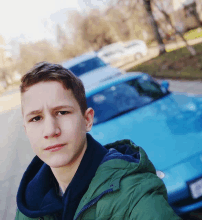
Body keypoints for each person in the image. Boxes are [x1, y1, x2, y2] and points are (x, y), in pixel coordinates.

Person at [15, 62, 181, 220]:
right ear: (26, 130)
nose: (50, 130)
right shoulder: (28, 205)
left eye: (62, 112)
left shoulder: (135, 196)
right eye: (36, 118)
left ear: (87, 120)